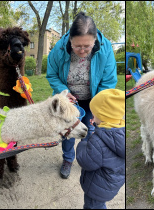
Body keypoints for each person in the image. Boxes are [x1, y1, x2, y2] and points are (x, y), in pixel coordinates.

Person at [46, 12, 117, 179]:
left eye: (88, 46)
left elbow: (108, 82)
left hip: (93, 99)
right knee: (69, 131)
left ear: (95, 41)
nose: (83, 51)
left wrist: (98, 107)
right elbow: (52, 75)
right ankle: (68, 159)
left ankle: (89, 160)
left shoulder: (105, 49)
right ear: (70, 40)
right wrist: (64, 92)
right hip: (70, 100)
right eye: (78, 46)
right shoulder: (59, 49)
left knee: (91, 130)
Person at [76, 89, 125, 209]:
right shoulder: (122, 129)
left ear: (103, 116)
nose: (92, 117)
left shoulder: (98, 141)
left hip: (97, 187)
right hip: (111, 183)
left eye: (94, 114)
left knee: (93, 206)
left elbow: (86, 161)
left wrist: (83, 143)